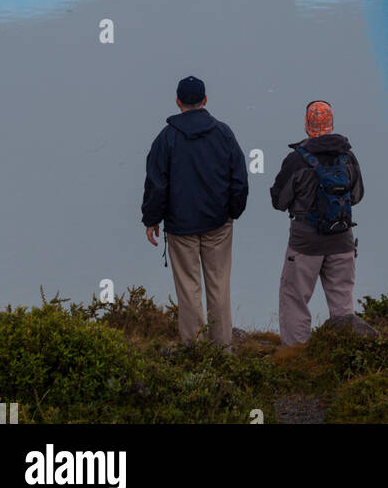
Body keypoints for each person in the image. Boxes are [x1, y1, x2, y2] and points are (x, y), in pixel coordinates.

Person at [142, 75, 248, 348]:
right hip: (218, 224)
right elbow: (239, 179)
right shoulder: (224, 133)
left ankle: (195, 350)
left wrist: (151, 218)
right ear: (205, 100)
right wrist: (232, 212)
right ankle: (222, 349)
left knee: (189, 289)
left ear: (177, 101)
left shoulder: (166, 139)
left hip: (180, 226)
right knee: (219, 285)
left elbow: (156, 184)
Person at [270, 100, 364, 345]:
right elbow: (356, 196)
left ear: (306, 125)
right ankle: (345, 353)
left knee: (294, 299)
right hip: (342, 240)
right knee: (343, 302)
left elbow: (279, 201)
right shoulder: (348, 157)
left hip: (305, 244)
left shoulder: (296, 160)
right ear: (331, 124)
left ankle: (296, 356)